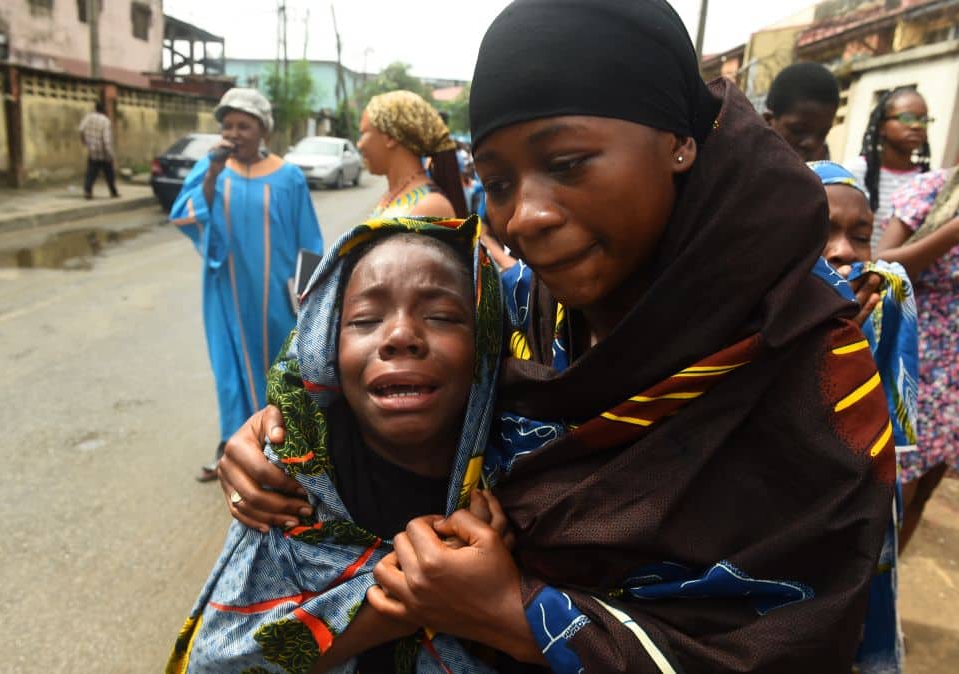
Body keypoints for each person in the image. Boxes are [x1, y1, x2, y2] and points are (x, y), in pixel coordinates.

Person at [217, 2, 893, 670]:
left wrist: (516, 615)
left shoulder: (813, 370)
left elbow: (803, 638)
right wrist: (280, 431)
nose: (524, 218)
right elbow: (374, 367)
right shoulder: (517, 309)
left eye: (567, 162)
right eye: (500, 181)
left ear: (679, 140)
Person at [167, 216, 507, 673]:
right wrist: (405, 600)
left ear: (486, 343)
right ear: (326, 349)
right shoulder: (293, 481)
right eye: (366, 319)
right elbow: (220, 661)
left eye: (441, 316)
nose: (401, 336)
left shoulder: (519, 478)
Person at [169, 88, 323, 482]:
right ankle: (231, 449)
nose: (234, 133)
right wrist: (211, 177)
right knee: (229, 369)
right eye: (228, 126)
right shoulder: (211, 168)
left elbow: (309, 239)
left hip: (276, 294)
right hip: (225, 289)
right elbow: (185, 214)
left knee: (278, 368)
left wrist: (310, 298)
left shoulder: (288, 177)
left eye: (244, 125)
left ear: (263, 130)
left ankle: (280, 452)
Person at [809, 160, 917, 673]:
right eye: (821, 230)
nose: (845, 251)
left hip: (852, 519)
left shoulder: (872, 310)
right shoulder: (735, 324)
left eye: (861, 235)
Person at [876, 165, 959, 553]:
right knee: (895, 492)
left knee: (925, 492)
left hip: (954, 383)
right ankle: (858, 595)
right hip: (921, 365)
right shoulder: (934, 189)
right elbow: (885, 264)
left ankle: (885, 593)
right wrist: (953, 230)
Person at [357, 90, 467, 219]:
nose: (359, 144)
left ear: (390, 137)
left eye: (364, 133)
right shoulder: (395, 195)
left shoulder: (429, 206)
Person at [846, 88, 932, 249]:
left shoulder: (928, 182)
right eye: (907, 118)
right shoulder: (854, 172)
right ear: (882, 126)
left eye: (923, 119)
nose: (916, 126)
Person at [763, 62, 840, 162]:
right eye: (798, 130)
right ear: (768, 122)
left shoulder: (824, 172)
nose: (812, 144)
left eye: (822, 135)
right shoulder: (742, 167)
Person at [78, 101, 120, 199]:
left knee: (91, 172)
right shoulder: (105, 121)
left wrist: (84, 142)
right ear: (104, 110)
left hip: (92, 150)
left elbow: (81, 130)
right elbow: (106, 140)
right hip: (103, 152)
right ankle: (113, 192)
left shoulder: (88, 117)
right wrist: (110, 154)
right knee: (109, 173)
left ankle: (88, 191)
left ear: (96, 108)